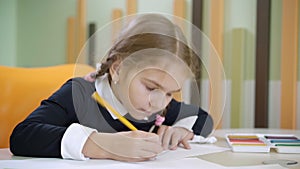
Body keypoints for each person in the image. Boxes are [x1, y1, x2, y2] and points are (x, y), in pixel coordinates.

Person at [10, 13, 213, 162]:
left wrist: (181, 130)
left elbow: (203, 118)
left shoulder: (159, 106)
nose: (159, 102)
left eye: (169, 93)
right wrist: (101, 145)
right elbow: (23, 135)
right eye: (151, 88)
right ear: (117, 69)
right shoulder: (80, 94)